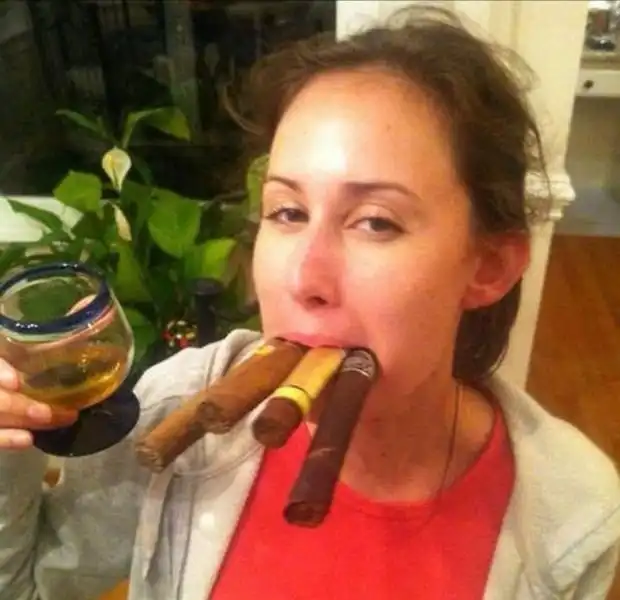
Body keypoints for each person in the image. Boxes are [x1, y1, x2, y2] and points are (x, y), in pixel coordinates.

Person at [1, 6, 619, 600]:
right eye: (288, 212)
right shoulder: (184, 410)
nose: (305, 277)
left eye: (376, 222)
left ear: (488, 266)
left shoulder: (572, 514)